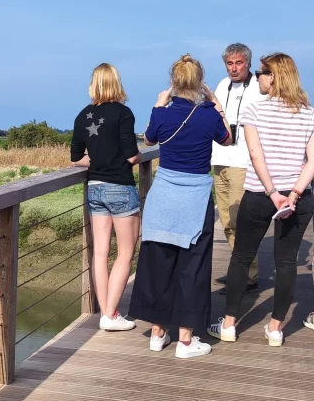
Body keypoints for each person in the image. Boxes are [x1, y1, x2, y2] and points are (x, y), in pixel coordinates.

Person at [129, 55, 232, 358]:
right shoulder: (208, 113)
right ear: (200, 82)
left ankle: (158, 333)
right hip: (195, 199)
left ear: (173, 82)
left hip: (163, 197)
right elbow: (227, 140)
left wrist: (159, 105)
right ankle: (186, 341)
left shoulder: (163, 113)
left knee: (159, 265)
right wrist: (216, 102)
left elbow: (148, 140)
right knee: (192, 269)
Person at [208, 53, 314, 347]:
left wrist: (272, 192)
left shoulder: (254, 110)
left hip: (259, 195)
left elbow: (255, 156)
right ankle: (276, 329)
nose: (257, 78)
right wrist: (292, 194)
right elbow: (312, 162)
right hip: (297, 198)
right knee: (287, 262)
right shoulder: (309, 113)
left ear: (274, 77)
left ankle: (228, 324)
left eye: (261, 73)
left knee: (241, 257)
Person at [71, 63, 142, 331]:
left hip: (95, 187)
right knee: (125, 253)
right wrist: (132, 158)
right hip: (120, 187)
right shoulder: (124, 113)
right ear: (116, 82)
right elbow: (132, 154)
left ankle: (105, 312)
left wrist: (96, 159)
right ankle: (110, 315)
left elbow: (76, 158)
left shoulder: (82, 115)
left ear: (94, 84)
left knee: (100, 253)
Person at [211, 43, 265, 292]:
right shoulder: (222, 85)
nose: (234, 68)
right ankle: (239, 270)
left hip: (243, 162)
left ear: (248, 63)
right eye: (230, 63)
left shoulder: (259, 87)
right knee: (225, 221)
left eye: (238, 63)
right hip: (219, 159)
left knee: (238, 220)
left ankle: (247, 275)